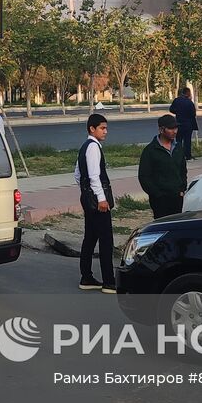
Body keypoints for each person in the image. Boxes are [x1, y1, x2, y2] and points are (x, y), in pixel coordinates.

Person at [75, 113, 115, 293]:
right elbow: (94, 176)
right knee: (106, 240)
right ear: (92, 128)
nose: (105, 131)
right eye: (102, 128)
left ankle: (86, 277)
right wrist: (101, 198)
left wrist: (85, 192)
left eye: (106, 128)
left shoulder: (85, 146)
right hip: (97, 201)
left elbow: (77, 174)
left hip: (87, 198)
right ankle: (109, 281)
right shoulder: (93, 147)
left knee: (90, 238)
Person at [138, 114, 186, 219]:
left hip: (177, 196)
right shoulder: (150, 150)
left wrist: (182, 189)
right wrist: (157, 194)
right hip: (160, 200)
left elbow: (183, 170)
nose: (175, 131)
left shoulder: (178, 147)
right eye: (171, 128)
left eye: (176, 128)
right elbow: (144, 176)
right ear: (161, 129)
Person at [169, 86, 198, 160]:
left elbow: (171, 109)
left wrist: (178, 112)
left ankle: (179, 155)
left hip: (178, 123)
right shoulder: (189, 102)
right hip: (188, 123)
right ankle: (187, 155)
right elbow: (193, 114)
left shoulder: (176, 100)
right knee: (187, 140)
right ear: (188, 93)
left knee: (178, 140)